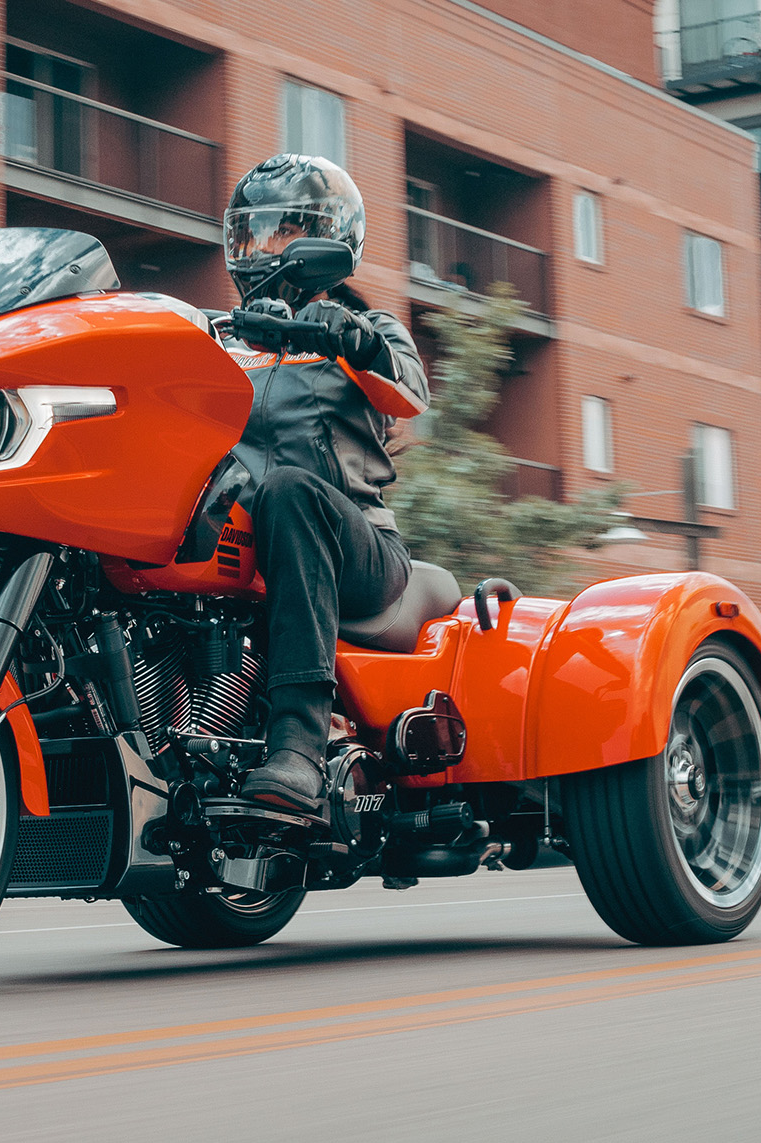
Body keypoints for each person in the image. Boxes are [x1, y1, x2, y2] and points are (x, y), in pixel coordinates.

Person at [221, 154, 430, 824]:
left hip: (360, 554)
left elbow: (408, 394)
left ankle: (299, 748)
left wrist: (351, 338)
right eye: (253, 233)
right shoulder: (222, 341)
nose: (266, 249)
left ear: (328, 239)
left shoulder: (368, 331)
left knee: (287, 490)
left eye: (285, 231)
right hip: (251, 551)